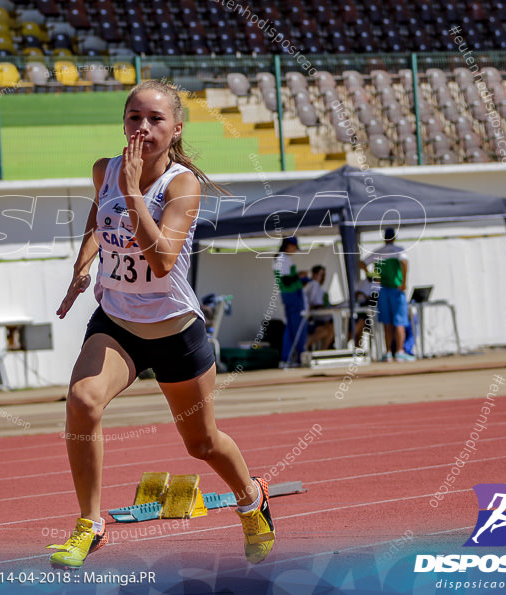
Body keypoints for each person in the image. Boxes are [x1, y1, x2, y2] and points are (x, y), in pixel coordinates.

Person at [50, 80, 276, 569]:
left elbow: (161, 261)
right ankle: (90, 524)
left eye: (155, 119)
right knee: (82, 400)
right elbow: (98, 216)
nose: (143, 128)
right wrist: (83, 263)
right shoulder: (105, 171)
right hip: (118, 323)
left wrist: (133, 193)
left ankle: (251, 498)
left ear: (176, 129)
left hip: (175, 331)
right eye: (134, 118)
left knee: (201, 444)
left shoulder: (180, 185)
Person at [359, 228, 413, 361]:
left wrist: (372, 275)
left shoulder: (378, 251)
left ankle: (388, 352)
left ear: (384, 238)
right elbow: (405, 263)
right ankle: (400, 351)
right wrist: (404, 282)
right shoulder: (398, 249)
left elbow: (362, 263)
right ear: (394, 237)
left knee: (387, 322)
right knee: (400, 322)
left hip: (382, 289)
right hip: (396, 288)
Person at [274, 236, 307, 366]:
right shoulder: (283, 258)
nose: (295, 251)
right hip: (292, 296)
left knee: (292, 327)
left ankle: (289, 358)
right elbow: (286, 280)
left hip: (289, 295)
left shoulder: (281, 258)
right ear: (289, 246)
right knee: (297, 327)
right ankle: (293, 357)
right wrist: (300, 277)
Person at [303, 265, 335, 351]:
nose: (323, 277)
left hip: (318, 318)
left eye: (324, 275)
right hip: (311, 320)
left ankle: (322, 352)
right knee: (327, 330)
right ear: (314, 274)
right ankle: (305, 346)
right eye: (321, 274)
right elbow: (313, 303)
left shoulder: (317, 286)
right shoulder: (314, 284)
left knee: (331, 329)